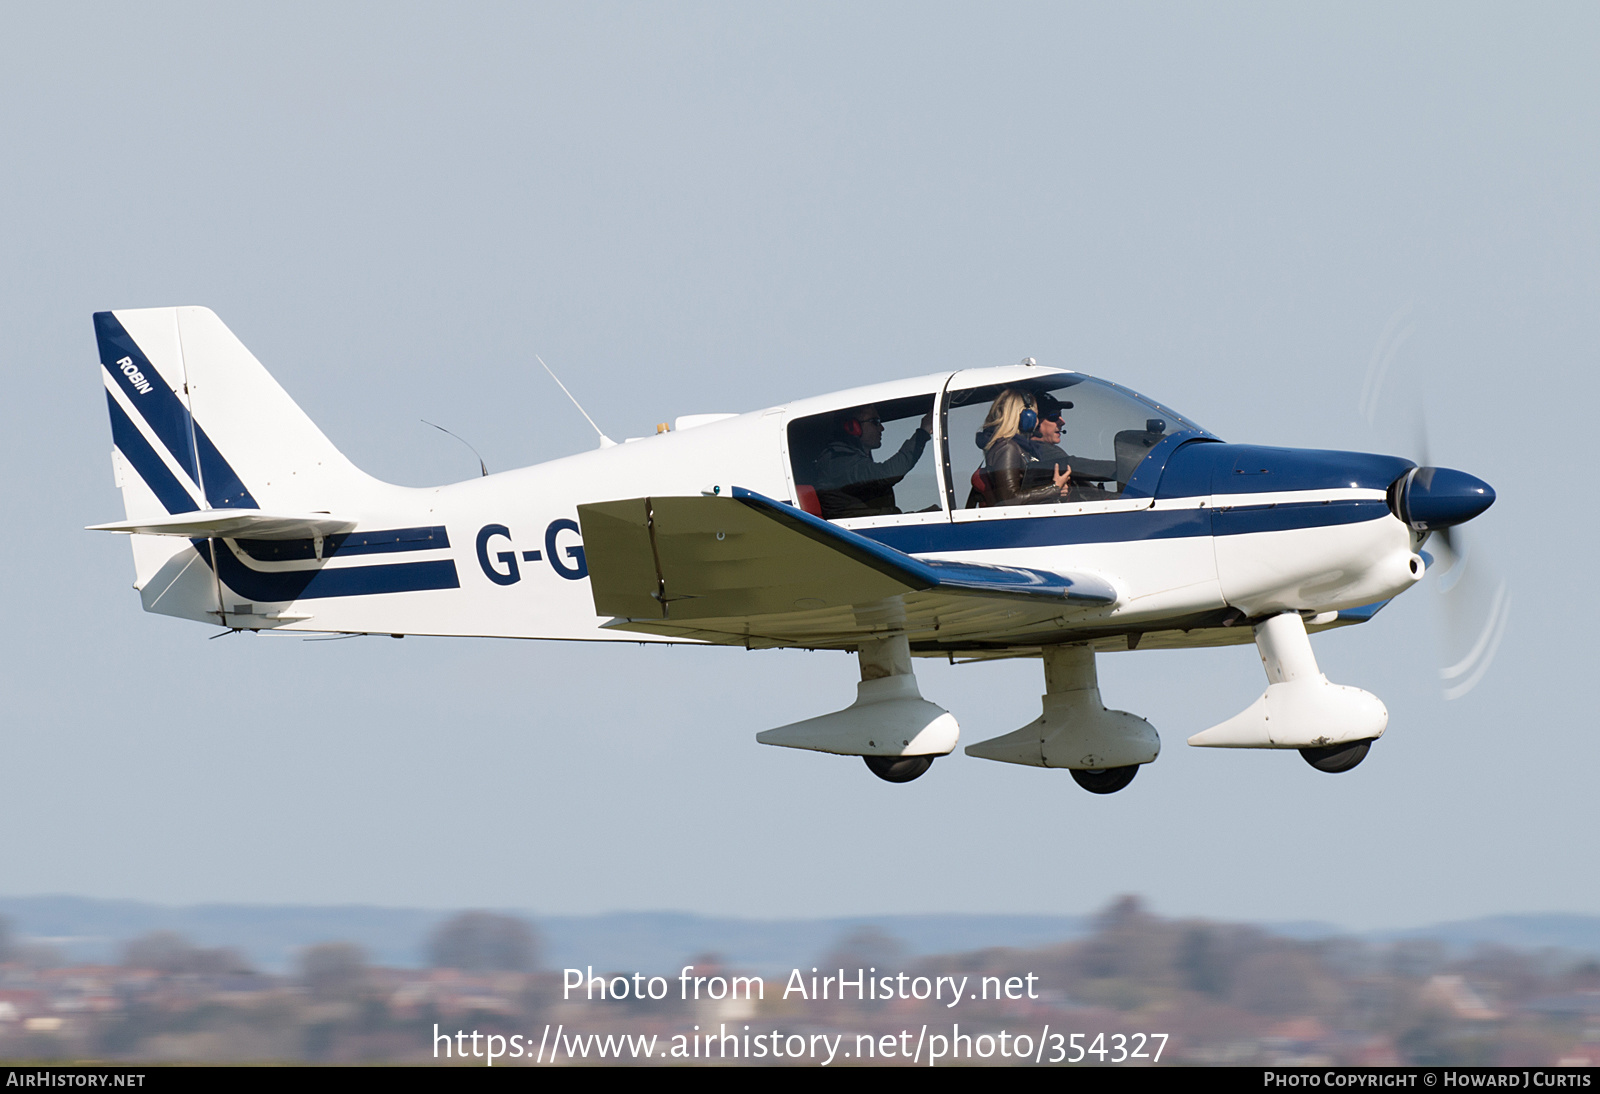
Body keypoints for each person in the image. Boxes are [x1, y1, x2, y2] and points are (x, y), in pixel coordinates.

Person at [812, 403, 934, 518]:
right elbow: (887, 474)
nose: (882, 428)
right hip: (857, 536)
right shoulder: (837, 461)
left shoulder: (854, 459)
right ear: (853, 427)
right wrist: (922, 433)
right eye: (875, 422)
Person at [979, 389, 1070, 505]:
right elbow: (1010, 499)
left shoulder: (1024, 449)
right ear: (1027, 418)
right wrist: (1053, 488)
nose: (1036, 422)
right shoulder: (1007, 448)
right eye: (1035, 416)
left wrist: (1056, 491)